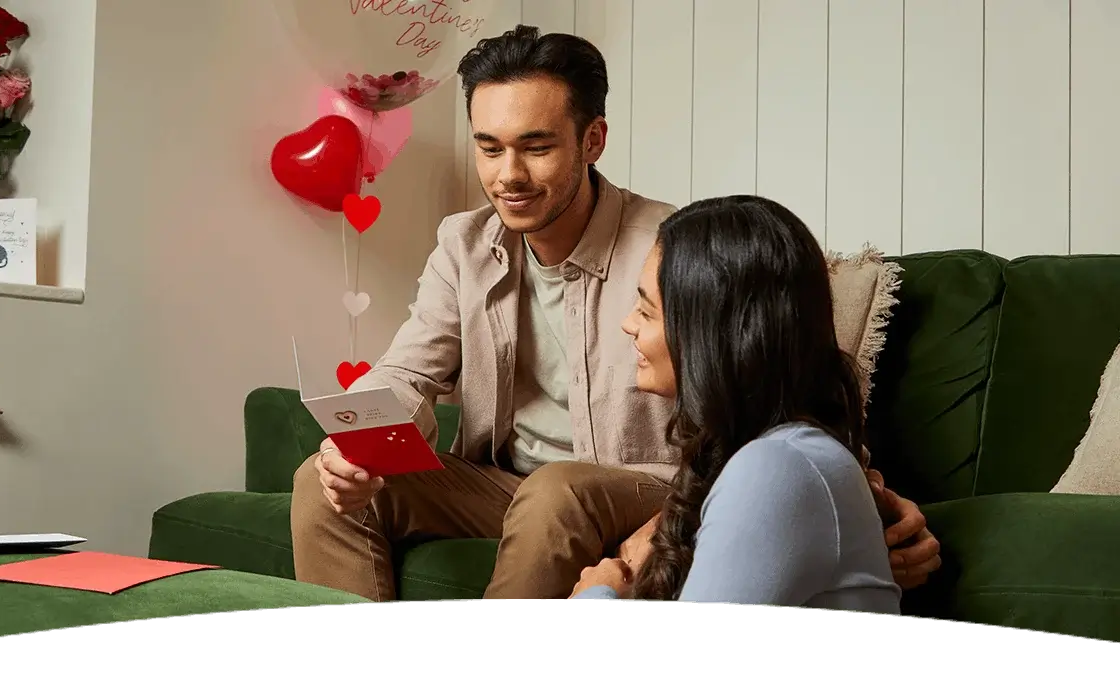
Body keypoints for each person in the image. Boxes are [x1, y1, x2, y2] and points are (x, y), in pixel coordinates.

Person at [290, 24, 941, 602]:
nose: (507, 174)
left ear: (593, 139)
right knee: (319, 481)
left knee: (558, 491)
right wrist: (357, 447)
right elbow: (405, 373)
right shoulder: (464, 244)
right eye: (490, 148)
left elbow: (774, 385)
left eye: (536, 146)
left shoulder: (668, 248)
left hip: (642, 485)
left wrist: (871, 491)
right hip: (508, 488)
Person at [568, 196, 902, 613]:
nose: (628, 323)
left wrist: (596, 596)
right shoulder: (770, 457)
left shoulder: (777, 467)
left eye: (647, 311)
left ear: (711, 334)